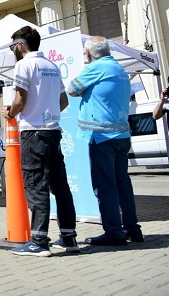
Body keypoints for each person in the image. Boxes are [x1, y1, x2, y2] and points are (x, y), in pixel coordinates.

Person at [4, 26, 77, 257]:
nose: (13, 50)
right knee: (60, 186)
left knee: (36, 185)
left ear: (21, 45)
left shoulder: (23, 65)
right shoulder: (52, 67)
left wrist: (12, 113)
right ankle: (68, 237)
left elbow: (20, 99)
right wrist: (48, 111)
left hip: (33, 132)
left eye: (12, 46)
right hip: (53, 131)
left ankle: (38, 241)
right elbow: (63, 101)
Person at [67, 36, 143, 245]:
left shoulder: (96, 68)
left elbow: (72, 89)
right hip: (122, 135)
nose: (84, 55)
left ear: (90, 53)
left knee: (105, 186)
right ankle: (132, 229)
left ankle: (113, 232)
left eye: (85, 53)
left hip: (102, 137)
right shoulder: (119, 69)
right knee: (122, 184)